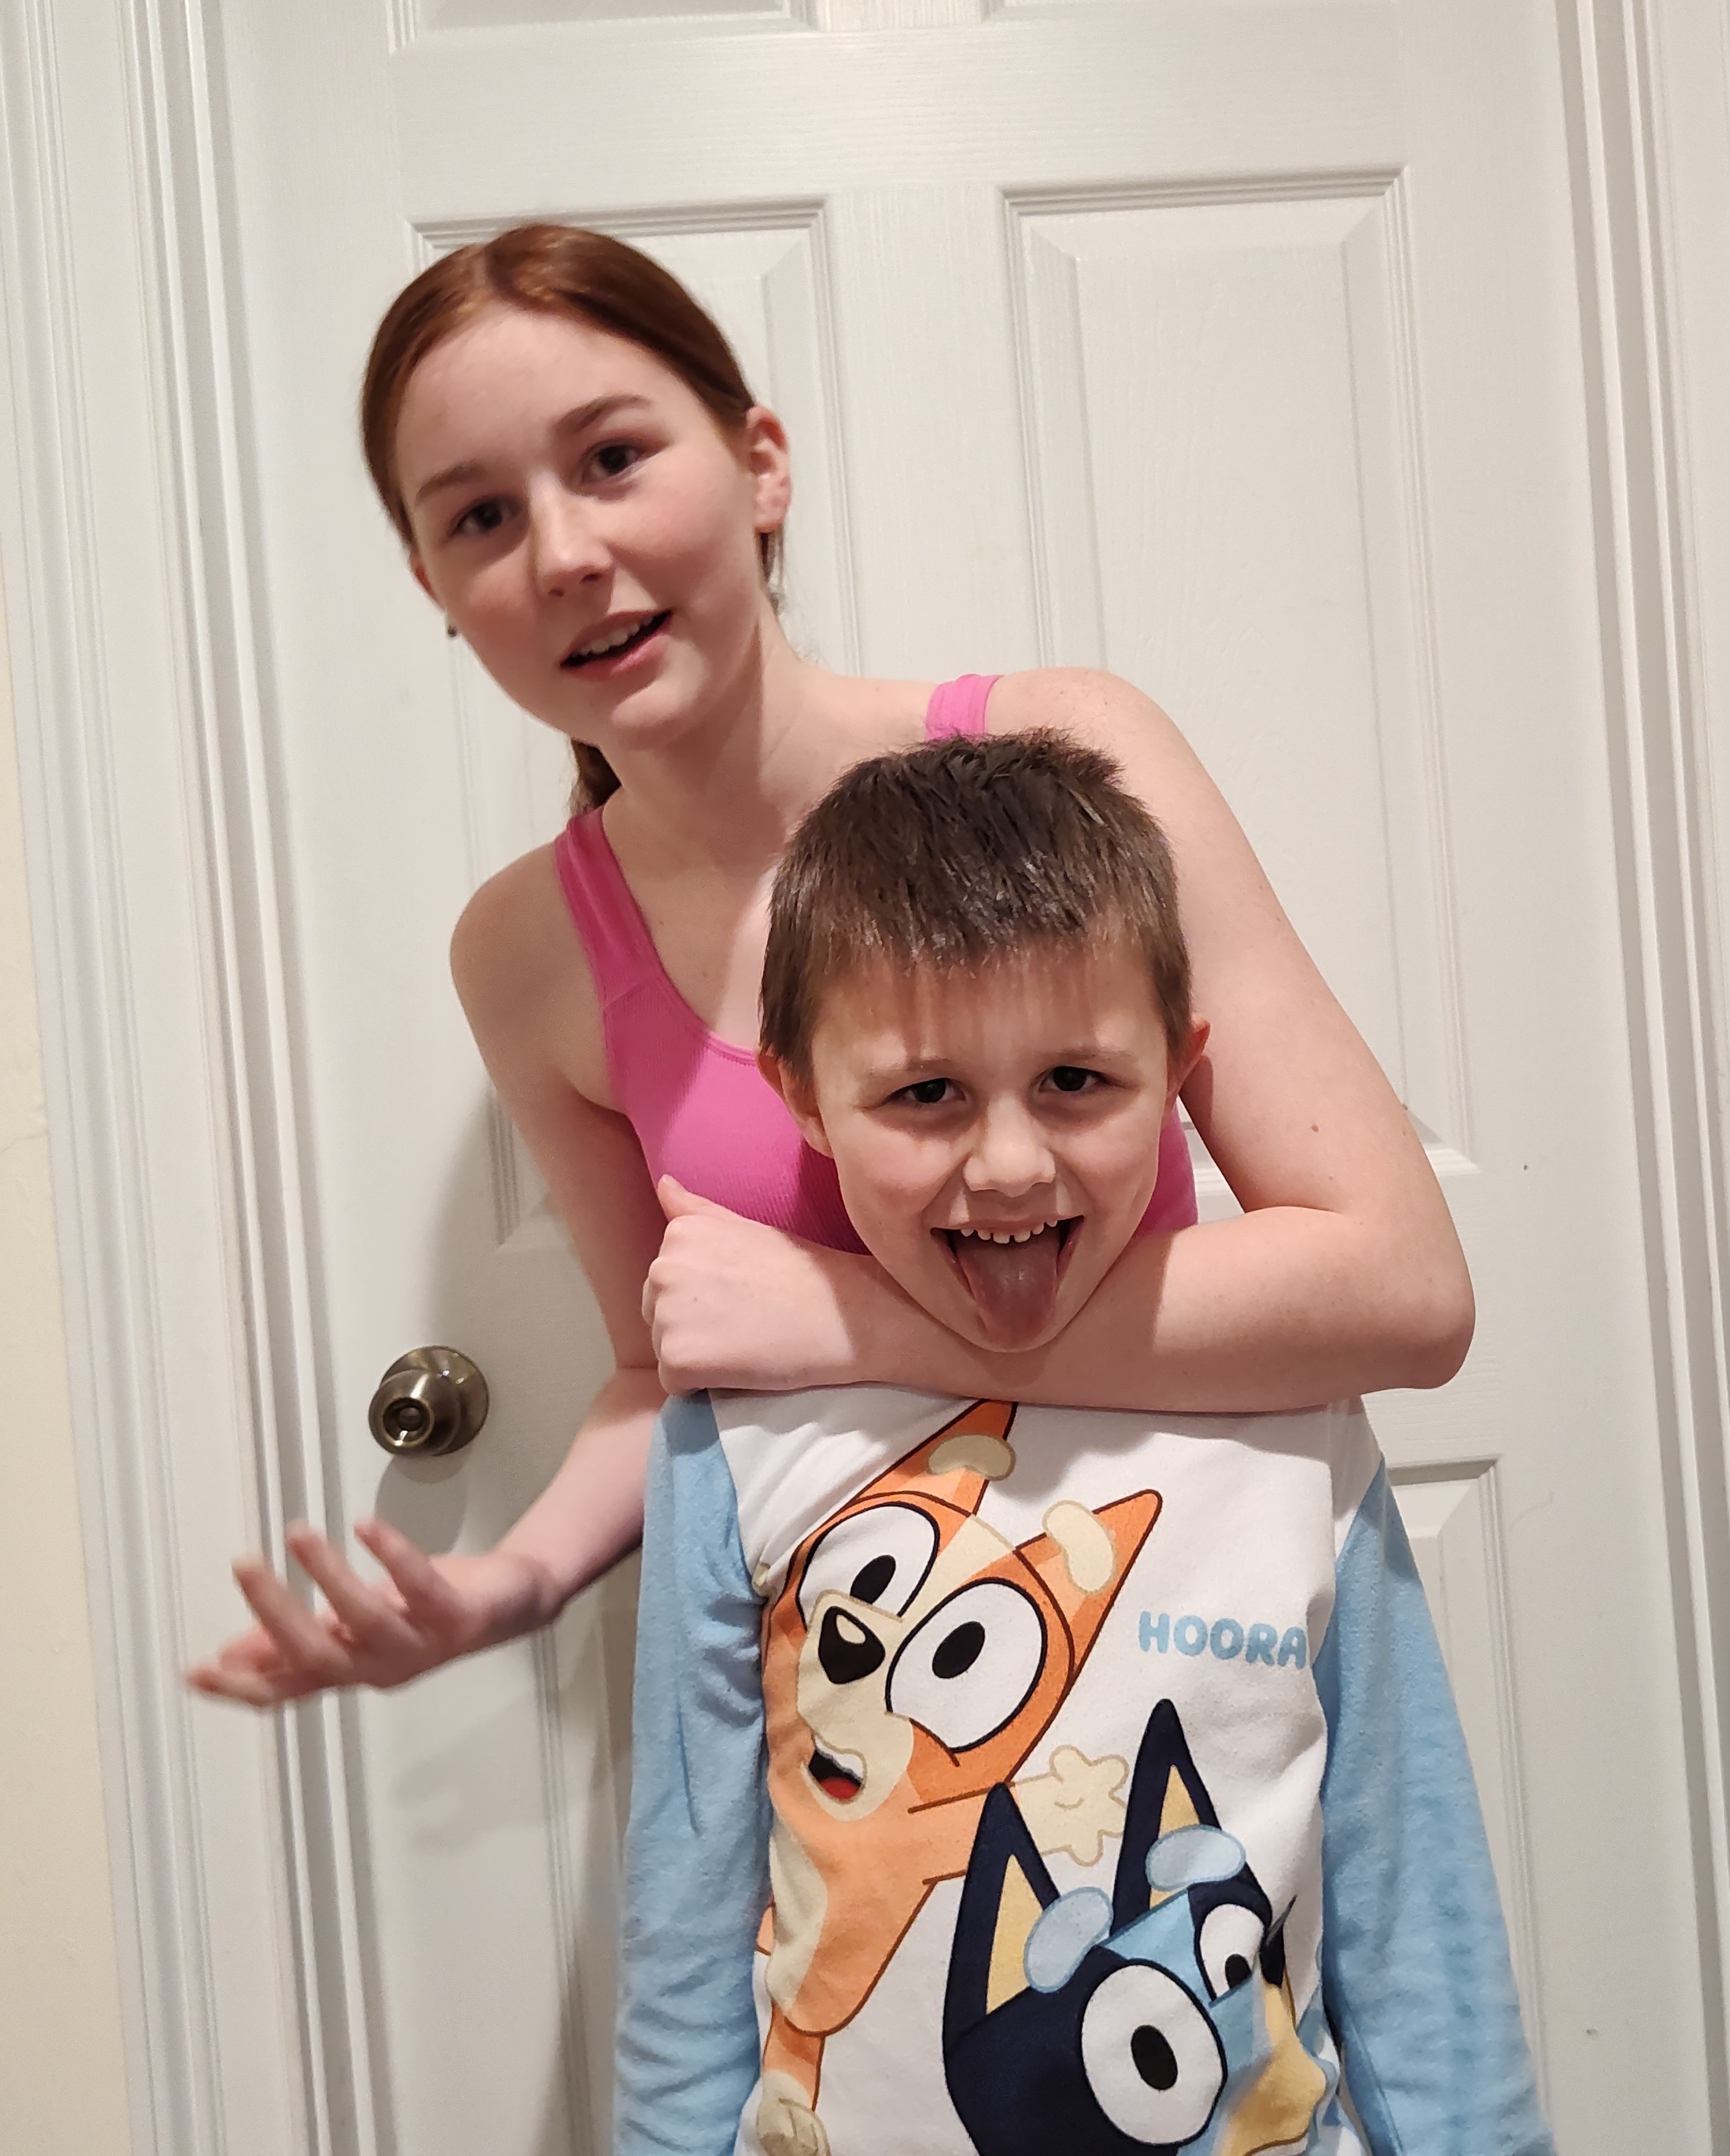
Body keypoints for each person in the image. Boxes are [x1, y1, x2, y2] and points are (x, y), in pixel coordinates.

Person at [186, 221, 1471, 1710]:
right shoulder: (525, 951)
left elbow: (1400, 1288)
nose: (566, 554)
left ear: (760, 466)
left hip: (1203, 1675)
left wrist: (849, 1323)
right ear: (433, 582)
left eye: (612, 459)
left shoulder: (1068, 754)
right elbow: (664, 1365)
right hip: (864, 1734)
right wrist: (508, 1584)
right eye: (480, 516)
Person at [614, 731, 1550, 2156]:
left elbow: (1411, 1910)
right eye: (924, 1094)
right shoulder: (734, 1446)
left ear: (1177, 1071)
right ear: (802, 1097)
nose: (1008, 1164)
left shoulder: (1296, 1421)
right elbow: (682, 1936)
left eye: (1074, 1080)